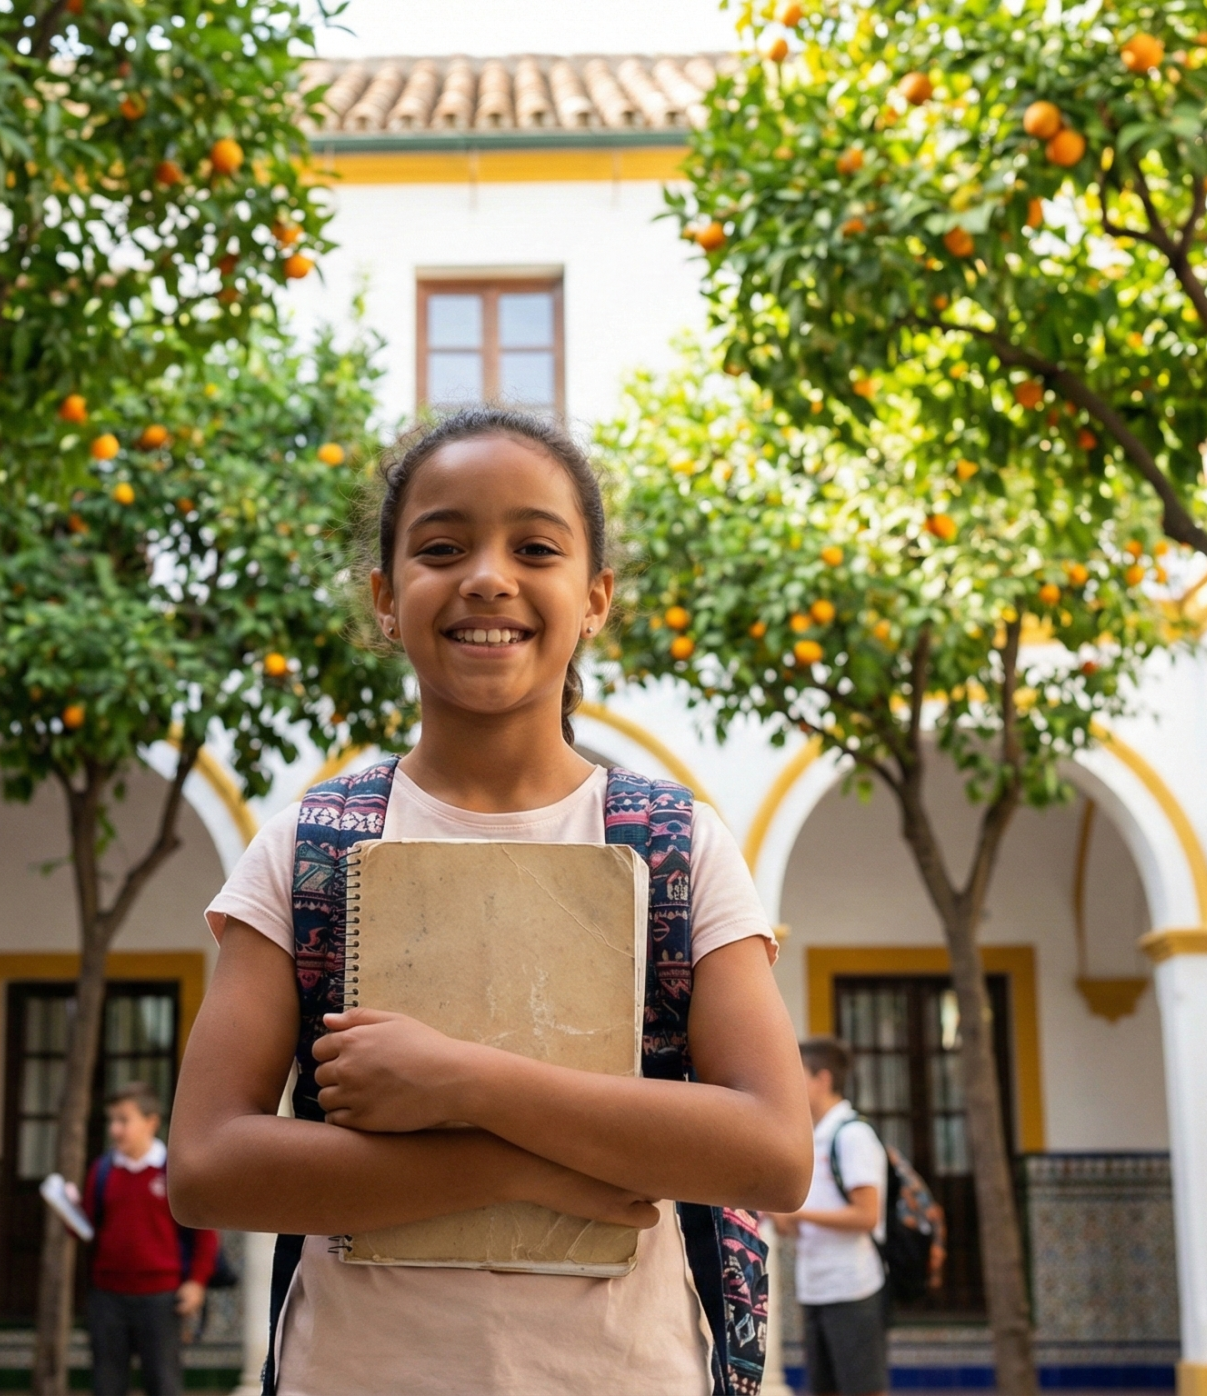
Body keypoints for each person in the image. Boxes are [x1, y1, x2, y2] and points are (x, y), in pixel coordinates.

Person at [169, 408, 811, 1395]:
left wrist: (465, 1082)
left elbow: (773, 1153)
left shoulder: (676, 847)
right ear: (387, 598)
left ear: (593, 598)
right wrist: (523, 1170)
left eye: (536, 546)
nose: (485, 576)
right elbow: (207, 1163)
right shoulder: (307, 849)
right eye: (440, 546)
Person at [770, 1037, 892, 1396]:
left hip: (852, 1287)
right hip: (817, 1287)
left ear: (822, 1079)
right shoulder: (815, 1137)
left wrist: (802, 1214)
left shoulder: (852, 1135)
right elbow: (805, 1221)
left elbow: (867, 1216)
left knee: (862, 1389)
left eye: (799, 1075)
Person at [84, 1081, 217, 1396]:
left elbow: (204, 1234)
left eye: (123, 1120)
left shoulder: (172, 1171)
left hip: (160, 1298)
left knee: (163, 1383)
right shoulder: (102, 1171)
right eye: (111, 1121)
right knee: (106, 1384)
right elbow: (88, 1227)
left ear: (151, 1122)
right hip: (108, 1297)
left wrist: (196, 1282)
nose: (115, 1130)